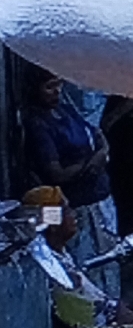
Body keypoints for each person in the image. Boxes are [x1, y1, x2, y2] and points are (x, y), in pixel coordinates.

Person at [24, 68, 120, 299]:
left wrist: (101, 153)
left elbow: (98, 137)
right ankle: (93, 314)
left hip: (101, 201)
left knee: (110, 258)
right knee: (84, 266)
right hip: (75, 208)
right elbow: (56, 173)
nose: (57, 91)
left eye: (58, 84)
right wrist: (92, 162)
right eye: (49, 87)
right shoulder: (38, 123)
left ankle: (113, 309)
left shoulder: (67, 111)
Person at [22, 185, 133, 328]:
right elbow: (90, 311)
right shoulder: (49, 266)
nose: (74, 214)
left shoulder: (61, 252)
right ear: (53, 224)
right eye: (66, 210)